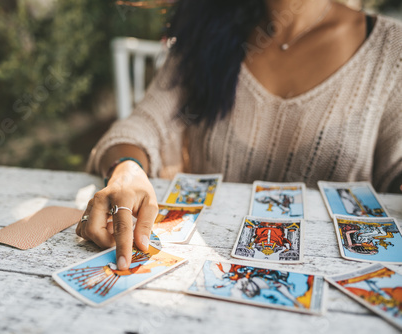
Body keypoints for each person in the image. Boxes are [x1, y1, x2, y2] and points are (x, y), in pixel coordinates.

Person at [76, 0, 402, 270]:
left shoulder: (392, 50)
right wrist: (128, 168)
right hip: (204, 275)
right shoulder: (205, 33)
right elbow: (142, 125)